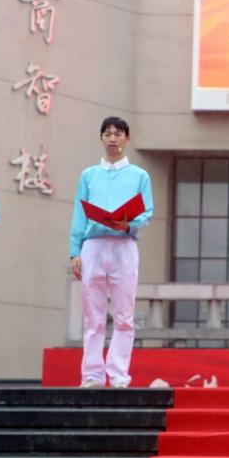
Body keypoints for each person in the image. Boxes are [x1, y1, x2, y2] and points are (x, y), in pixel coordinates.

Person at [69, 116, 153, 388]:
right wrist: (74, 251)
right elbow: (79, 214)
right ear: (101, 138)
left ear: (127, 138)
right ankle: (92, 375)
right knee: (92, 315)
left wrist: (129, 223)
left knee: (124, 314)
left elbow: (147, 212)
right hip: (93, 244)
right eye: (107, 134)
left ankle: (118, 375)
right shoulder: (89, 175)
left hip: (124, 244)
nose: (112, 138)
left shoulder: (139, 176)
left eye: (118, 134)